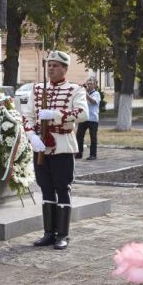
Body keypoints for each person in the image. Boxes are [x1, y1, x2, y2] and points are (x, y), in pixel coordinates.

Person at [21, 51, 88, 250]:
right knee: (46, 188)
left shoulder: (75, 90)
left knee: (63, 188)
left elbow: (82, 113)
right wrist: (32, 136)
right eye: (49, 65)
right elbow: (27, 116)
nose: (51, 68)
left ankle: (63, 235)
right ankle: (48, 233)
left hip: (63, 146)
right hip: (41, 146)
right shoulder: (37, 89)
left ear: (65, 68)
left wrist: (56, 114)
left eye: (56, 65)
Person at [76, 77, 101, 160]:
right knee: (79, 136)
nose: (89, 85)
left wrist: (85, 94)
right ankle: (79, 153)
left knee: (93, 137)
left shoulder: (96, 94)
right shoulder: (83, 94)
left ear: (95, 85)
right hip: (84, 117)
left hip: (93, 119)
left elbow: (93, 102)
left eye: (91, 84)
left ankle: (93, 154)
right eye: (88, 84)